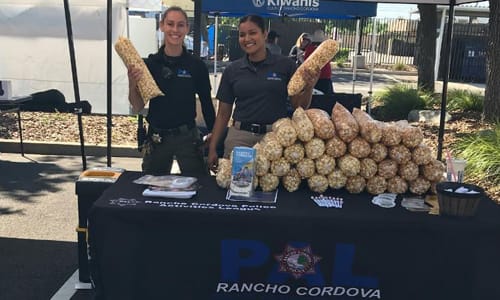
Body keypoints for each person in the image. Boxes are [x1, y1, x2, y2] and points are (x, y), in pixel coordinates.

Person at [207, 15, 317, 172]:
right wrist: (212, 148)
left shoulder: (285, 66)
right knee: (237, 188)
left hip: (275, 139)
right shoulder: (233, 70)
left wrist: (309, 87)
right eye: (242, 35)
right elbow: (223, 113)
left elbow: (298, 106)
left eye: (252, 33)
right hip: (240, 139)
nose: (247, 39)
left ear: (265, 34)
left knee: (272, 188)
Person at [127, 6, 216, 175]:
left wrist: (213, 134)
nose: (175, 30)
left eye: (180, 25)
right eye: (170, 24)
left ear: (187, 29)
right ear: (162, 26)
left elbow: (206, 102)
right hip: (157, 138)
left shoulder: (196, 66)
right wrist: (132, 84)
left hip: (188, 138)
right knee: (153, 190)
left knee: (197, 186)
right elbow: (138, 105)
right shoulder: (151, 64)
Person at [304, 29, 334, 95]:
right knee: (326, 96)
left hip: (313, 75)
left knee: (313, 95)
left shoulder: (309, 48)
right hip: (325, 75)